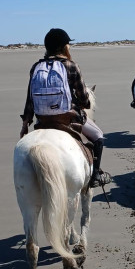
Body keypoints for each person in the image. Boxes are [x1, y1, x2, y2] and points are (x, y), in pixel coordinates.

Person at [19, 28, 111, 188]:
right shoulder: (71, 66)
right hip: (68, 120)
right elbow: (84, 100)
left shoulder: (36, 67)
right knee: (98, 136)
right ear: (64, 47)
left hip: (42, 121)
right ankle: (95, 176)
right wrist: (84, 103)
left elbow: (30, 98)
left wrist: (25, 123)